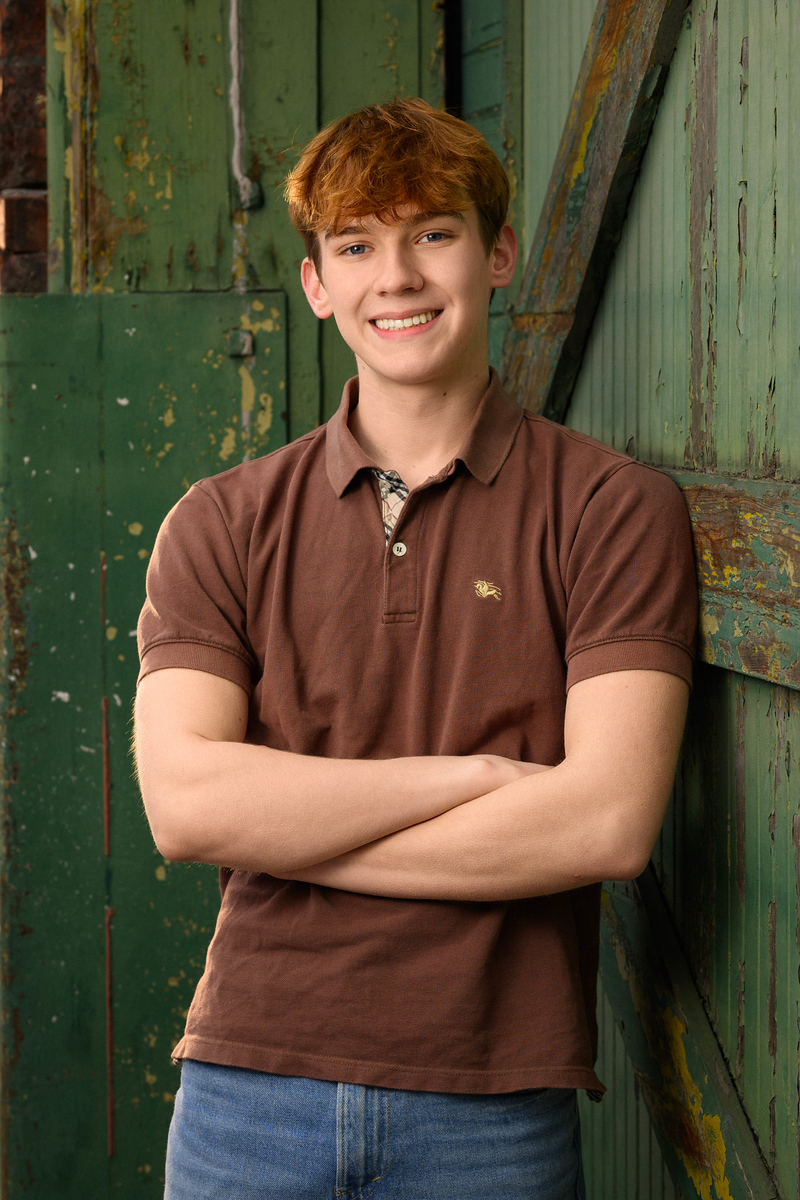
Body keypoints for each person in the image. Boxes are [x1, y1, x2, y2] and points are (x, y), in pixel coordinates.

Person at [135, 97, 697, 1200]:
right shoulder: (222, 519)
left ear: (495, 256)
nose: (394, 277)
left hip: (490, 1104)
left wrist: (288, 830)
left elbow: (606, 822)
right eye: (355, 246)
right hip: (248, 1085)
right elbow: (188, 809)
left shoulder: (610, 508)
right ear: (316, 286)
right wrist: (478, 780)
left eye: (431, 233)